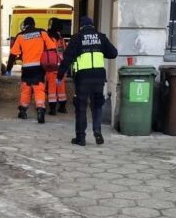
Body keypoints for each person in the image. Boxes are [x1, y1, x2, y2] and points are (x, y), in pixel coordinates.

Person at [58, 15, 118, 146]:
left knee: (81, 107)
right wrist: (100, 49)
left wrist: (59, 75)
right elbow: (113, 53)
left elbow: (67, 58)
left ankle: (81, 138)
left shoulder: (77, 38)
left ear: (81, 27)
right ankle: (97, 131)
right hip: (98, 77)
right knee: (97, 105)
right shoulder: (101, 37)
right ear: (92, 26)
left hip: (83, 78)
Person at [7, 16, 59, 123]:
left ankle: (23, 111)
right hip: (39, 68)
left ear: (25, 25)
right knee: (39, 89)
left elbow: (13, 54)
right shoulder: (42, 33)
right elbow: (52, 46)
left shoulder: (21, 36)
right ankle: (40, 110)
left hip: (26, 68)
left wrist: (8, 68)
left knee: (26, 90)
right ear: (34, 24)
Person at [44, 18, 69, 115]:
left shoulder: (49, 37)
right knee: (61, 88)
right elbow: (64, 51)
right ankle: (62, 107)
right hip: (61, 67)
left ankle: (52, 109)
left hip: (51, 66)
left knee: (51, 88)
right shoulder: (61, 38)